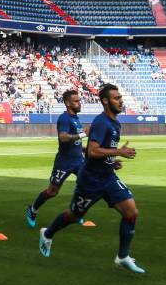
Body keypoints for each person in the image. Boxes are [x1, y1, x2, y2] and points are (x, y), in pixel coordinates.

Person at [38, 84, 144, 274]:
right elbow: (93, 151)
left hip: (108, 178)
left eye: (120, 98)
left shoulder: (115, 123)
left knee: (131, 212)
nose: (121, 101)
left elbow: (92, 151)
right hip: (90, 181)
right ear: (105, 101)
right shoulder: (101, 122)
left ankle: (123, 256)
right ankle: (47, 234)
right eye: (116, 98)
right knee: (74, 215)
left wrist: (111, 161)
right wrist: (119, 151)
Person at [26, 89, 87, 228]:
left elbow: (76, 142)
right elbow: (63, 137)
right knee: (52, 192)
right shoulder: (64, 118)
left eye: (79, 101)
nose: (79, 103)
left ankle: (75, 213)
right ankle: (33, 209)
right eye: (76, 101)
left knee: (86, 184)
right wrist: (84, 135)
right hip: (64, 162)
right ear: (67, 103)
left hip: (78, 160)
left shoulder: (76, 119)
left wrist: (85, 149)